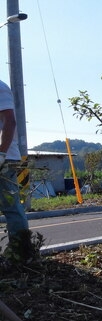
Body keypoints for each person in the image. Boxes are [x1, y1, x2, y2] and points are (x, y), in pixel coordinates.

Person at [0, 79, 33, 264]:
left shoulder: (0, 88)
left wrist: (1, 153)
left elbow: (10, 122)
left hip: (5, 159)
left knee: (11, 207)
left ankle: (21, 254)